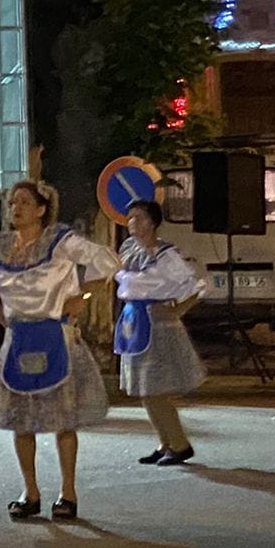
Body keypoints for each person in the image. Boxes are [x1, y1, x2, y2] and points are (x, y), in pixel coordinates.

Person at [0, 179, 119, 521]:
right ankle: (30, 491)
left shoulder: (60, 241)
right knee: (22, 421)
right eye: (12, 203)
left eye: (23, 202)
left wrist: (80, 297)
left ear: (41, 209)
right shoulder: (2, 246)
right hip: (19, 337)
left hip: (57, 335)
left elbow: (105, 260)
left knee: (63, 421)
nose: (15, 209)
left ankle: (68, 491)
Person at [115, 198, 204, 465]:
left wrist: (177, 310)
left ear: (153, 222)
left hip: (158, 327)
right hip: (135, 322)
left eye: (139, 217)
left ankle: (180, 443)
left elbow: (197, 285)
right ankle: (165, 442)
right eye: (130, 217)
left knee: (155, 389)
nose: (132, 222)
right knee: (145, 390)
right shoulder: (131, 250)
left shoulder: (166, 256)